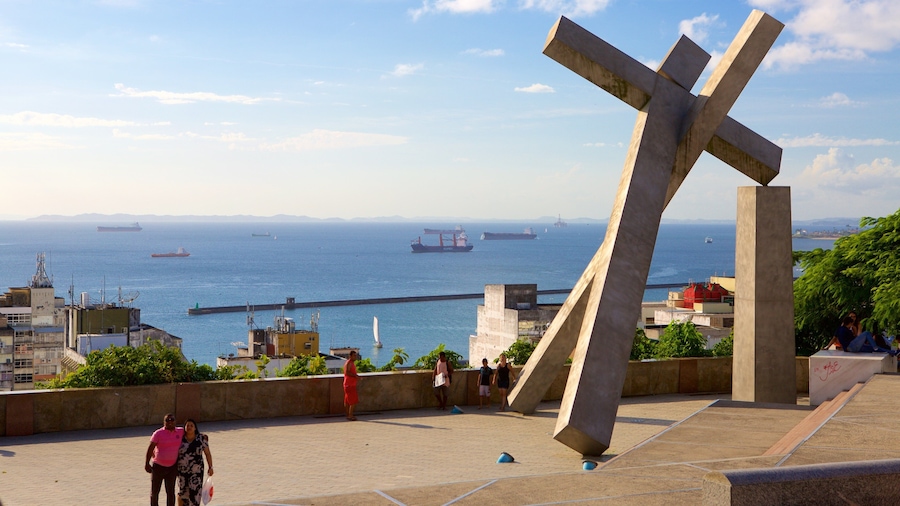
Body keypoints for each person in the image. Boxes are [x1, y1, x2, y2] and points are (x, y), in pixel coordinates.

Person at [145, 413, 184, 506]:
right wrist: (147, 463)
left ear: (175, 421)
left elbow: (193, 433)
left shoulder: (181, 431)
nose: (170, 422)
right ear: (164, 422)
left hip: (172, 467)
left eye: (172, 420)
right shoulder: (158, 433)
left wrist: (203, 437)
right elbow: (150, 448)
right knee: (155, 492)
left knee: (170, 492)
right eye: (167, 420)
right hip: (158, 467)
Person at [177, 419, 213, 506]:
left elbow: (207, 453)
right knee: (182, 493)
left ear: (195, 428)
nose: (189, 427)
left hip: (196, 472)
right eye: (187, 425)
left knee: (195, 493)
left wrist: (210, 467)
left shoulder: (201, 439)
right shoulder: (179, 439)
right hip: (182, 472)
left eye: (191, 425)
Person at [343, 350, 359, 421]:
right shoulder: (349, 363)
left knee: (347, 400)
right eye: (354, 356)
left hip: (348, 384)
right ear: (350, 356)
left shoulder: (351, 363)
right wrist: (355, 376)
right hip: (349, 384)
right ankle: (350, 415)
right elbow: (347, 372)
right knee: (353, 401)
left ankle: (348, 414)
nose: (355, 357)